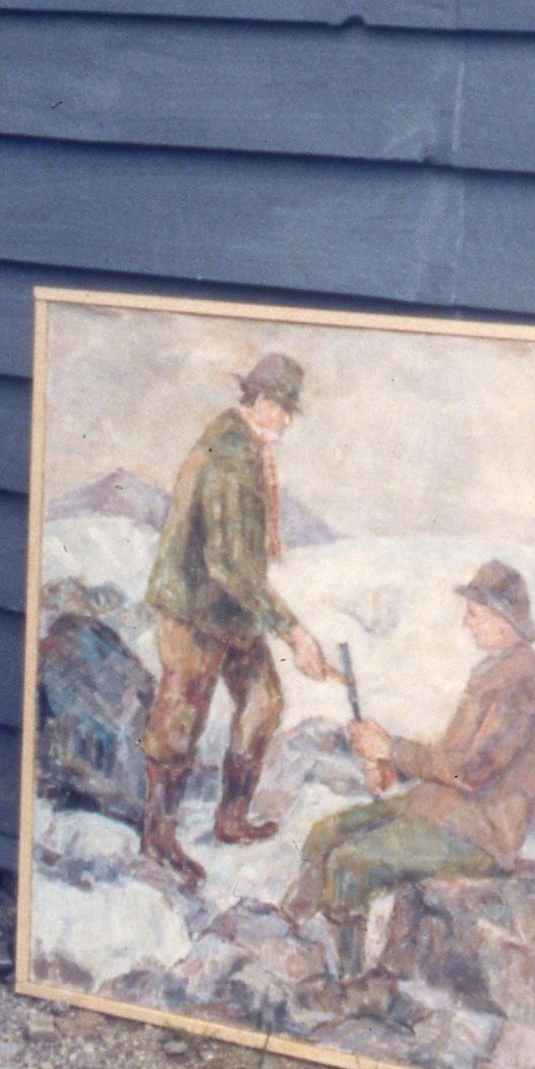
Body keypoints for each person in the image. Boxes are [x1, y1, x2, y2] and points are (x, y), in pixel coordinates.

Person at [139, 352, 340, 890]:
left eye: (290, 410)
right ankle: (158, 836)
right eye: (280, 407)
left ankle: (231, 819)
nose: (286, 421)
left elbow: (241, 566)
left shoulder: (248, 449)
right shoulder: (228, 458)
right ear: (259, 400)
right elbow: (228, 564)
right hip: (193, 607)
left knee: (263, 701)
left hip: (233, 607)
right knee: (180, 718)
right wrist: (293, 631)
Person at [281, 561, 535, 927]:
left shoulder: (521, 686)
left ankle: (342, 960)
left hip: (478, 835)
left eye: (474, 614)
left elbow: (470, 772)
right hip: (441, 811)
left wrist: (391, 749)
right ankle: (293, 930)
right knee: (325, 834)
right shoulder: (496, 671)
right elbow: (451, 757)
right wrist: (391, 767)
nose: (466, 623)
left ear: (502, 621)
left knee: (350, 864)